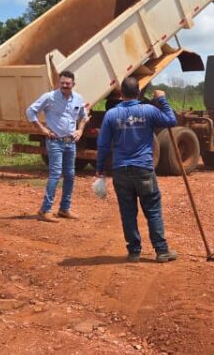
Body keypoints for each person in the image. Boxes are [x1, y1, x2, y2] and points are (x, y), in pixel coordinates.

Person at [96, 78, 178, 263]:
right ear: (139, 92)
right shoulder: (148, 111)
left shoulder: (111, 114)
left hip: (121, 171)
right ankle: (161, 251)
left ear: (121, 93)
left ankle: (134, 252)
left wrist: (100, 169)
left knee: (128, 212)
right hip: (143, 169)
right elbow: (171, 120)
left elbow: (103, 145)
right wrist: (162, 100)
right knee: (153, 210)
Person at [25, 70, 88, 222]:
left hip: (70, 142)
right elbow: (30, 111)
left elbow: (83, 116)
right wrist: (42, 129)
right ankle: (45, 210)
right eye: (62, 83)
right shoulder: (50, 97)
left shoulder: (78, 98)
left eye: (68, 83)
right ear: (59, 83)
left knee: (70, 175)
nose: (65, 85)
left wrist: (80, 130)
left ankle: (64, 209)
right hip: (55, 142)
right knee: (55, 174)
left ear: (73, 84)